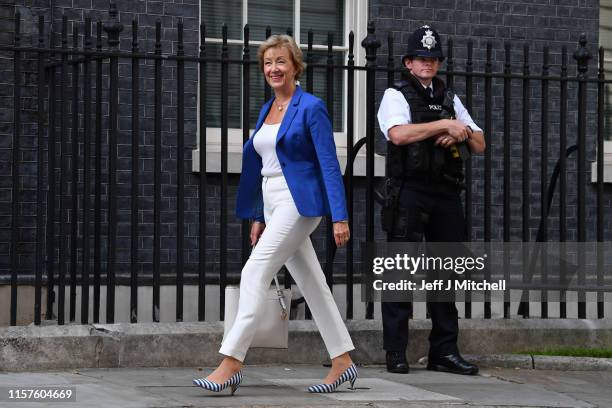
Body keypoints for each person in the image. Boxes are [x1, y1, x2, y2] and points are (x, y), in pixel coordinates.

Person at [192, 34, 357, 395]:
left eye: (280, 62)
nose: (273, 69)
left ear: (295, 66)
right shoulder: (267, 109)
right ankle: (343, 361)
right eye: (268, 63)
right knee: (313, 283)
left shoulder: (311, 107)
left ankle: (231, 362)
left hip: (299, 203)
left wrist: (340, 217)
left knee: (254, 270)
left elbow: (329, 165)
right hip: (272, 202)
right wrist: (258, 214)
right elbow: (264, 164)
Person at [377, 25, 485, 375]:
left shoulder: (448, 96)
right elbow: (398, 134)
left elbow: (480, 143)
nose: (428, 63)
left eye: (433, 58)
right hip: (409, 190)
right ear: (409, 62)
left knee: (447, 273)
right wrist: (444, 126)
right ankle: (396, 351)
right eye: (422, 58)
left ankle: (444, 351)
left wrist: (460, 130)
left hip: (446, 191)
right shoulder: (396, 94)